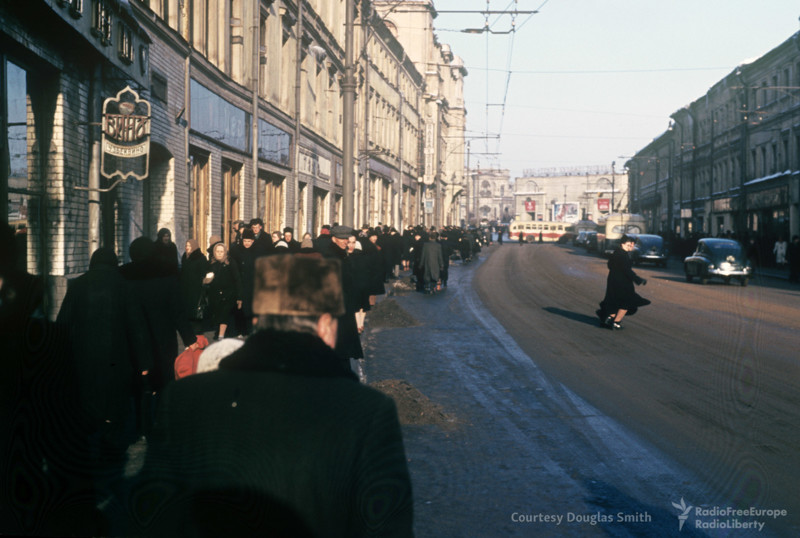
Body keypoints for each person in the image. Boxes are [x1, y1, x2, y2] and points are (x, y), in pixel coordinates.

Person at [132, 254, 413, 537]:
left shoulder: (184, 398)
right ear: (327, 326)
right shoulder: (368, 411)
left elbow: (153, 516)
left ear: (256, 320)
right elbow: (387, 527)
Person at [596, 234, 650, 330]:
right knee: (626, 302)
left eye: (632, 245)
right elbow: (626, 270)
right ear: (622, 244)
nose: (631, 246)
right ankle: (615, 322)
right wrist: (638, 279)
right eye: (629, 244)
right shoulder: (622, 255)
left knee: (615, 301)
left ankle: (609, 319)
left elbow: (610, 266)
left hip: (614, 281)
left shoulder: (617, 253)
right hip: (622, 283)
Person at [207, 242, 243, 340]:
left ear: (225, 252)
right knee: (218, 314)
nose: (219, 253)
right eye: (217, 251)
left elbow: (237, 279)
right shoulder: (212, 263)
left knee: (224, 314)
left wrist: (239, 296)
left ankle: (221, 335)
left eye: (221, 251)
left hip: (229, 293)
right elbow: (208, 278)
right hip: (216, 294)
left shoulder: (230, 262)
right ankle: (221, 333)